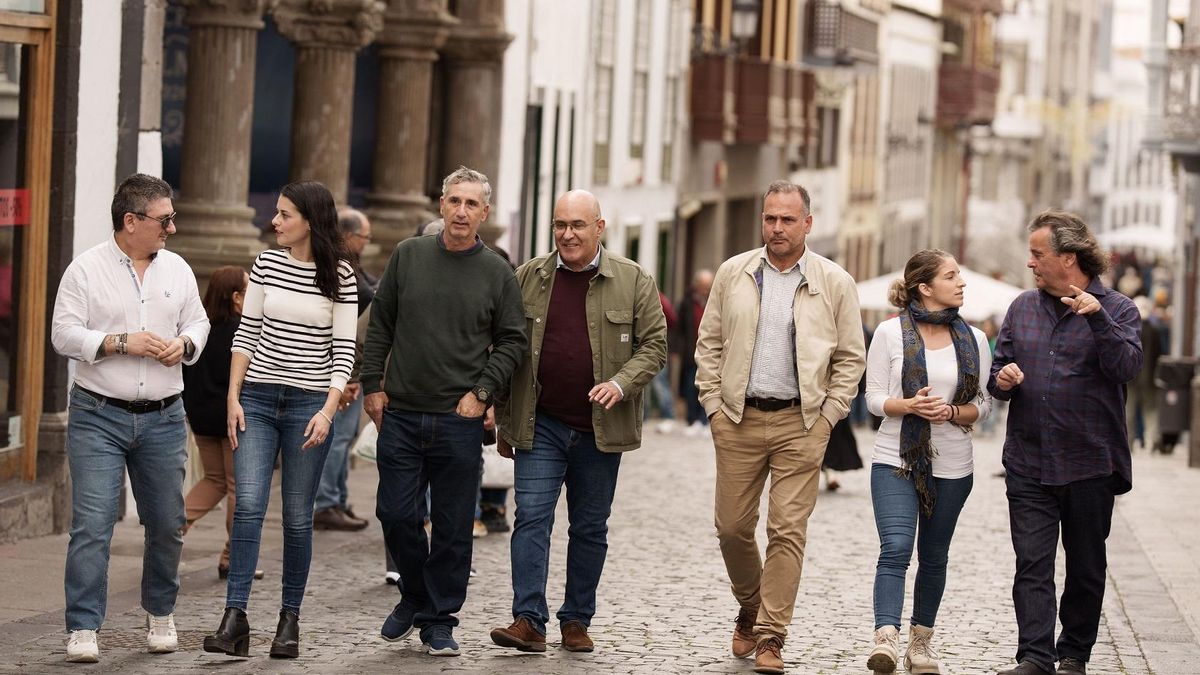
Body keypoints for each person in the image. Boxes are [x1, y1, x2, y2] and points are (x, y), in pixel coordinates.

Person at [695, 180, 865, 675]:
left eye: (787, 219)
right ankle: (750, 604)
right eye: (770, 218)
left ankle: (771, 634)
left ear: (807, 224)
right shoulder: (735, 272)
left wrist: (829, 415)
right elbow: (709, 343)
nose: (776, 228)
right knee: (731, 528)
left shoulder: (835, 281)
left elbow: (851, 359)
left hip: (802, 423)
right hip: (738, 419)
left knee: (787, 531)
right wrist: (712, 404)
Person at [489, 190, 667, 654]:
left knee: (589, 527)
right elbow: (505, 347)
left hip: (599, 428)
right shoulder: (528, 277)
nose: (567, 234)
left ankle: (576, 620)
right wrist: (505, 420)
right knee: (531, 518)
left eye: (578, 225)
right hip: (540, 422)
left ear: (599, 228)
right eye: (560, 225)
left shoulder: (633, 280)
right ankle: (528, 619)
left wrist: (621, 383)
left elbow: (654, 347)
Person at [363, 166, 526, 657]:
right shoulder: (409, 256)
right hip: (402, 413)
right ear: (441, 204)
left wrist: (483, 393)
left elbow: (514, 340)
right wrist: (372, 385)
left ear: (484, 213)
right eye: (454, 201)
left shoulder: (496, 270)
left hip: (459, 420)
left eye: (471, 204)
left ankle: (439, 619)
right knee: (394, 513)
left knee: (454, 526)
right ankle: (415, 594)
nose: (461, 211)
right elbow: (381, 325)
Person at [50, 173, 210, 663]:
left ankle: (159, 612)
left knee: (166, 522)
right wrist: (120, 342)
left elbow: (198, 321)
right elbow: (63, 334)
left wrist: (183, 345)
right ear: (131, 221)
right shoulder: (85, 270)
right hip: (98, 415)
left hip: (164, 417)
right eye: (165, 219)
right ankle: (82, 626)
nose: (172, 228)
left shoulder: (178, 269)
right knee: (93, 524)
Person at [203, 180, 357, 660]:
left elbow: (344, 351)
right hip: (259, 401)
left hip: (309, 405)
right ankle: (235, 618)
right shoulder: (267, 263)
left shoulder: (342, 276)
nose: (275, 221)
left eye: (284, 214)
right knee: (248, 505)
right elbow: (246, 333)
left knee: (295, 517)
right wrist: (234, 397)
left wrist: (328, 412)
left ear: (309, 220)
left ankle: (289, 619)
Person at [991, 211, 1141, 675]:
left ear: (1069, 258)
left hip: (1089, 462)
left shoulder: (1118, 309)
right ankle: (1035, 656)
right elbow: (997, 376)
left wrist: (1099, 322)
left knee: (1085, 567)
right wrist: (1005, 378)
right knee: (1031, 564)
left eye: (1038, 254)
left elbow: (1127, 369)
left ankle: (1074, 652)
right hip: (1029, 461)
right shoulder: (1021, 308)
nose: (1031, 263)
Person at [863, 250, 993, 675]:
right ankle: (885, 637)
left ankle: (921, 643)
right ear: (925, 287)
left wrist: (953, 413)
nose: (961, 283)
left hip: (954, 463)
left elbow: (983, 404)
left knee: (934, 555)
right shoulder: (888, 333)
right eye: (952, 276)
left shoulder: (973, 338)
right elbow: (873, 399)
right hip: (895, 457)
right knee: (896, 548)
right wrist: (909, 405)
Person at [180, 265, 264, 580]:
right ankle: (234, 556)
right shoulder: (241, 332)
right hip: (233, 417)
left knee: (214, 480)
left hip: (201, 417)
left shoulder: (199, 328)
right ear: (236, 297)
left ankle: (172, 531)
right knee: (235, 486)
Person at [312, 208, 376, 532]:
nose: (367, 243)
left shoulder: (351, 265)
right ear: (349, 236)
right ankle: (326, 502)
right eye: (364, 238)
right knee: (336, 437)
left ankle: (337, 499)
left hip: (352, 363)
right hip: (343, 365)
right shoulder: (339, 266)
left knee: (345, 436)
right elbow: (366, 296)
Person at [676, 268, 713, 436]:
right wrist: (677, 349)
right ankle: (691, 420)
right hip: (691, 352)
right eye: (703, 285)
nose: (706, 289)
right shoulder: (687, 302)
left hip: (710, 353)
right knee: (690, 387)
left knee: (707, 387)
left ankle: (704, 420)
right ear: (696, 285)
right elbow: (679, 328)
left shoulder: (714, 300)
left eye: (708, 286)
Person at [645, 290, 678, 432]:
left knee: (660, 382)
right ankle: (643, 416)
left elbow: (672, 319)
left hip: (655, 344)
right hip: (638, 344)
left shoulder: (657, 296)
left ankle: (668, 416)